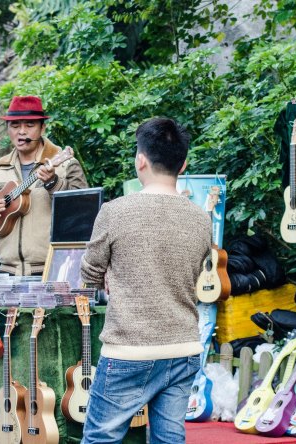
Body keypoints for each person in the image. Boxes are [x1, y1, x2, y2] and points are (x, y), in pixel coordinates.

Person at [80, 117, 211, 443]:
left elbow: (89, 274)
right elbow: (191, 273)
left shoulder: (115, 211)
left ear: (141, 160)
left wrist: (108, 278)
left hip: (129, 348)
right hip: (183, 346)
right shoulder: (201, 217)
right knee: (169, 438)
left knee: (101, 438)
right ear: (184, 163)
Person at [0, 95, 88, 275]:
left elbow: (83, 212)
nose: (22, 132)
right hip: (6, 272)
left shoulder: (65, 164)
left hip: (52, 270)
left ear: (42, 128)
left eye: (29, 125)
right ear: (8, 129)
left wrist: (54, 183)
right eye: (15, 125)